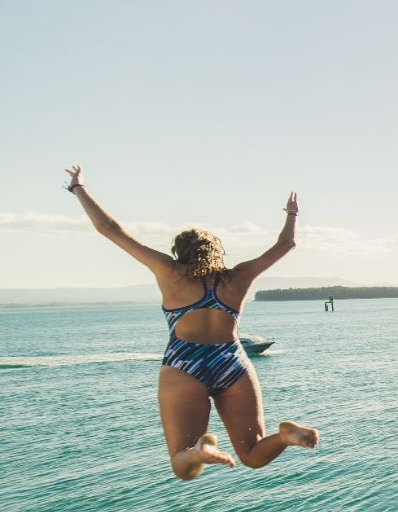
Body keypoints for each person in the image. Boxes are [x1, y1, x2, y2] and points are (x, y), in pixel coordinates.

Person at [62, 165, 318, 480]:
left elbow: (109, 229)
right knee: (251, 454)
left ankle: (199, 451)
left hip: (184, 364)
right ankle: (285, 437)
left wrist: (79, 188)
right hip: (231, 362)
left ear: (179, 252)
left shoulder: (169, 271)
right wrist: (291, 214)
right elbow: (285, 246)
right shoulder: (237, 277)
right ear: (216, 251)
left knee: (182, 465)